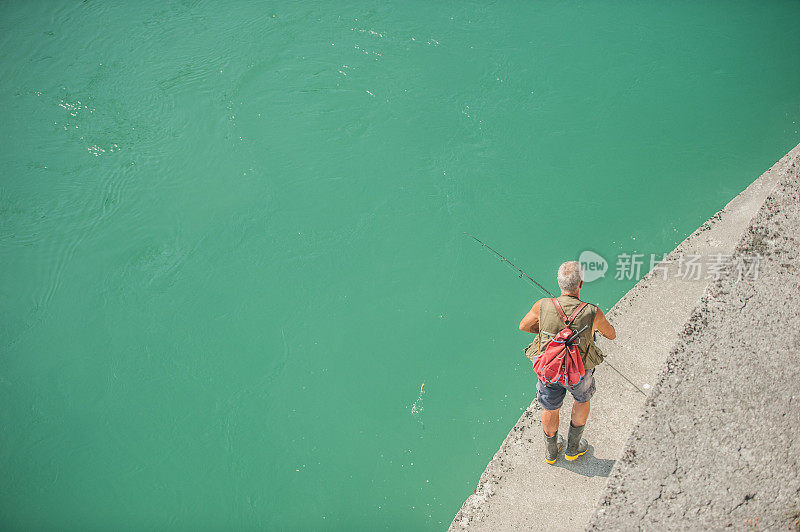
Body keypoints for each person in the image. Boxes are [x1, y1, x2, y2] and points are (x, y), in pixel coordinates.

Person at [518, 261, 616, 464]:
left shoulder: (542, 305)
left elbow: (524, 326)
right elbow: (611, 334)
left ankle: (551, 453)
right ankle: (573, 449)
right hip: (579, 370)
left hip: (550, 369)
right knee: (581, 400)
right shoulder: (592, 312)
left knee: (550, 408)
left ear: (558, 282)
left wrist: (552, 335)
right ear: (580, 284)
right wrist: (592, 329)